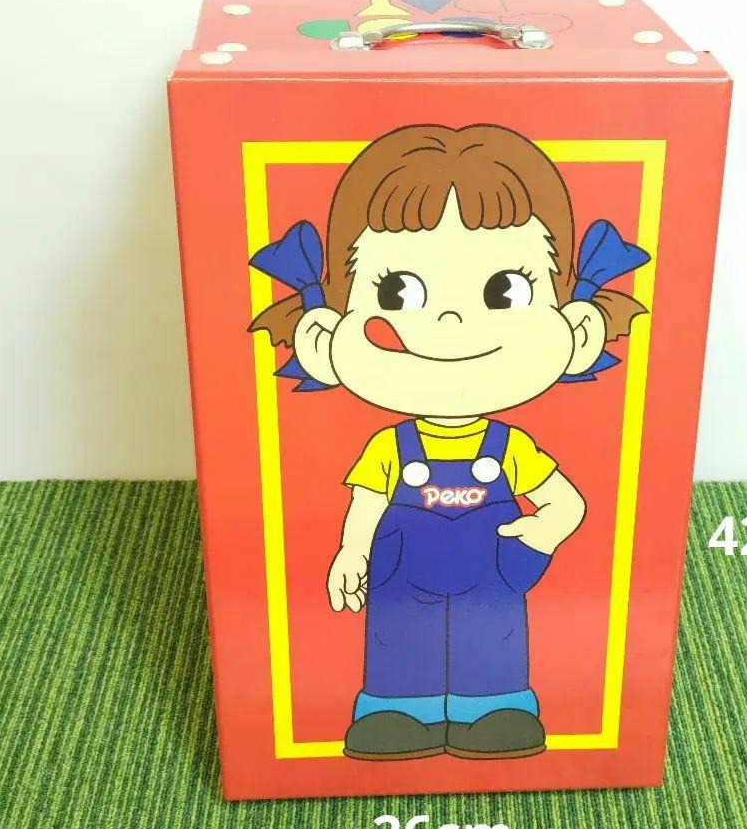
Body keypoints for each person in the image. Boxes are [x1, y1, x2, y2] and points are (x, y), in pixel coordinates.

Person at [249, 124, 649, 761]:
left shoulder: (510, 446)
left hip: (490, 574)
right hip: (401, 574)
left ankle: (492, 708)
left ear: (577, 328)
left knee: (491, 640)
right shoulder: (390, 447)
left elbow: (567, 503)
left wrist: (539, 537)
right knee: (397, 640)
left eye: (505, 291)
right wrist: (351, 552)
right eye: (397, 292)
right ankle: (395, 711)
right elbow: (366, 504)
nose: (451, 321)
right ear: (323, 334)